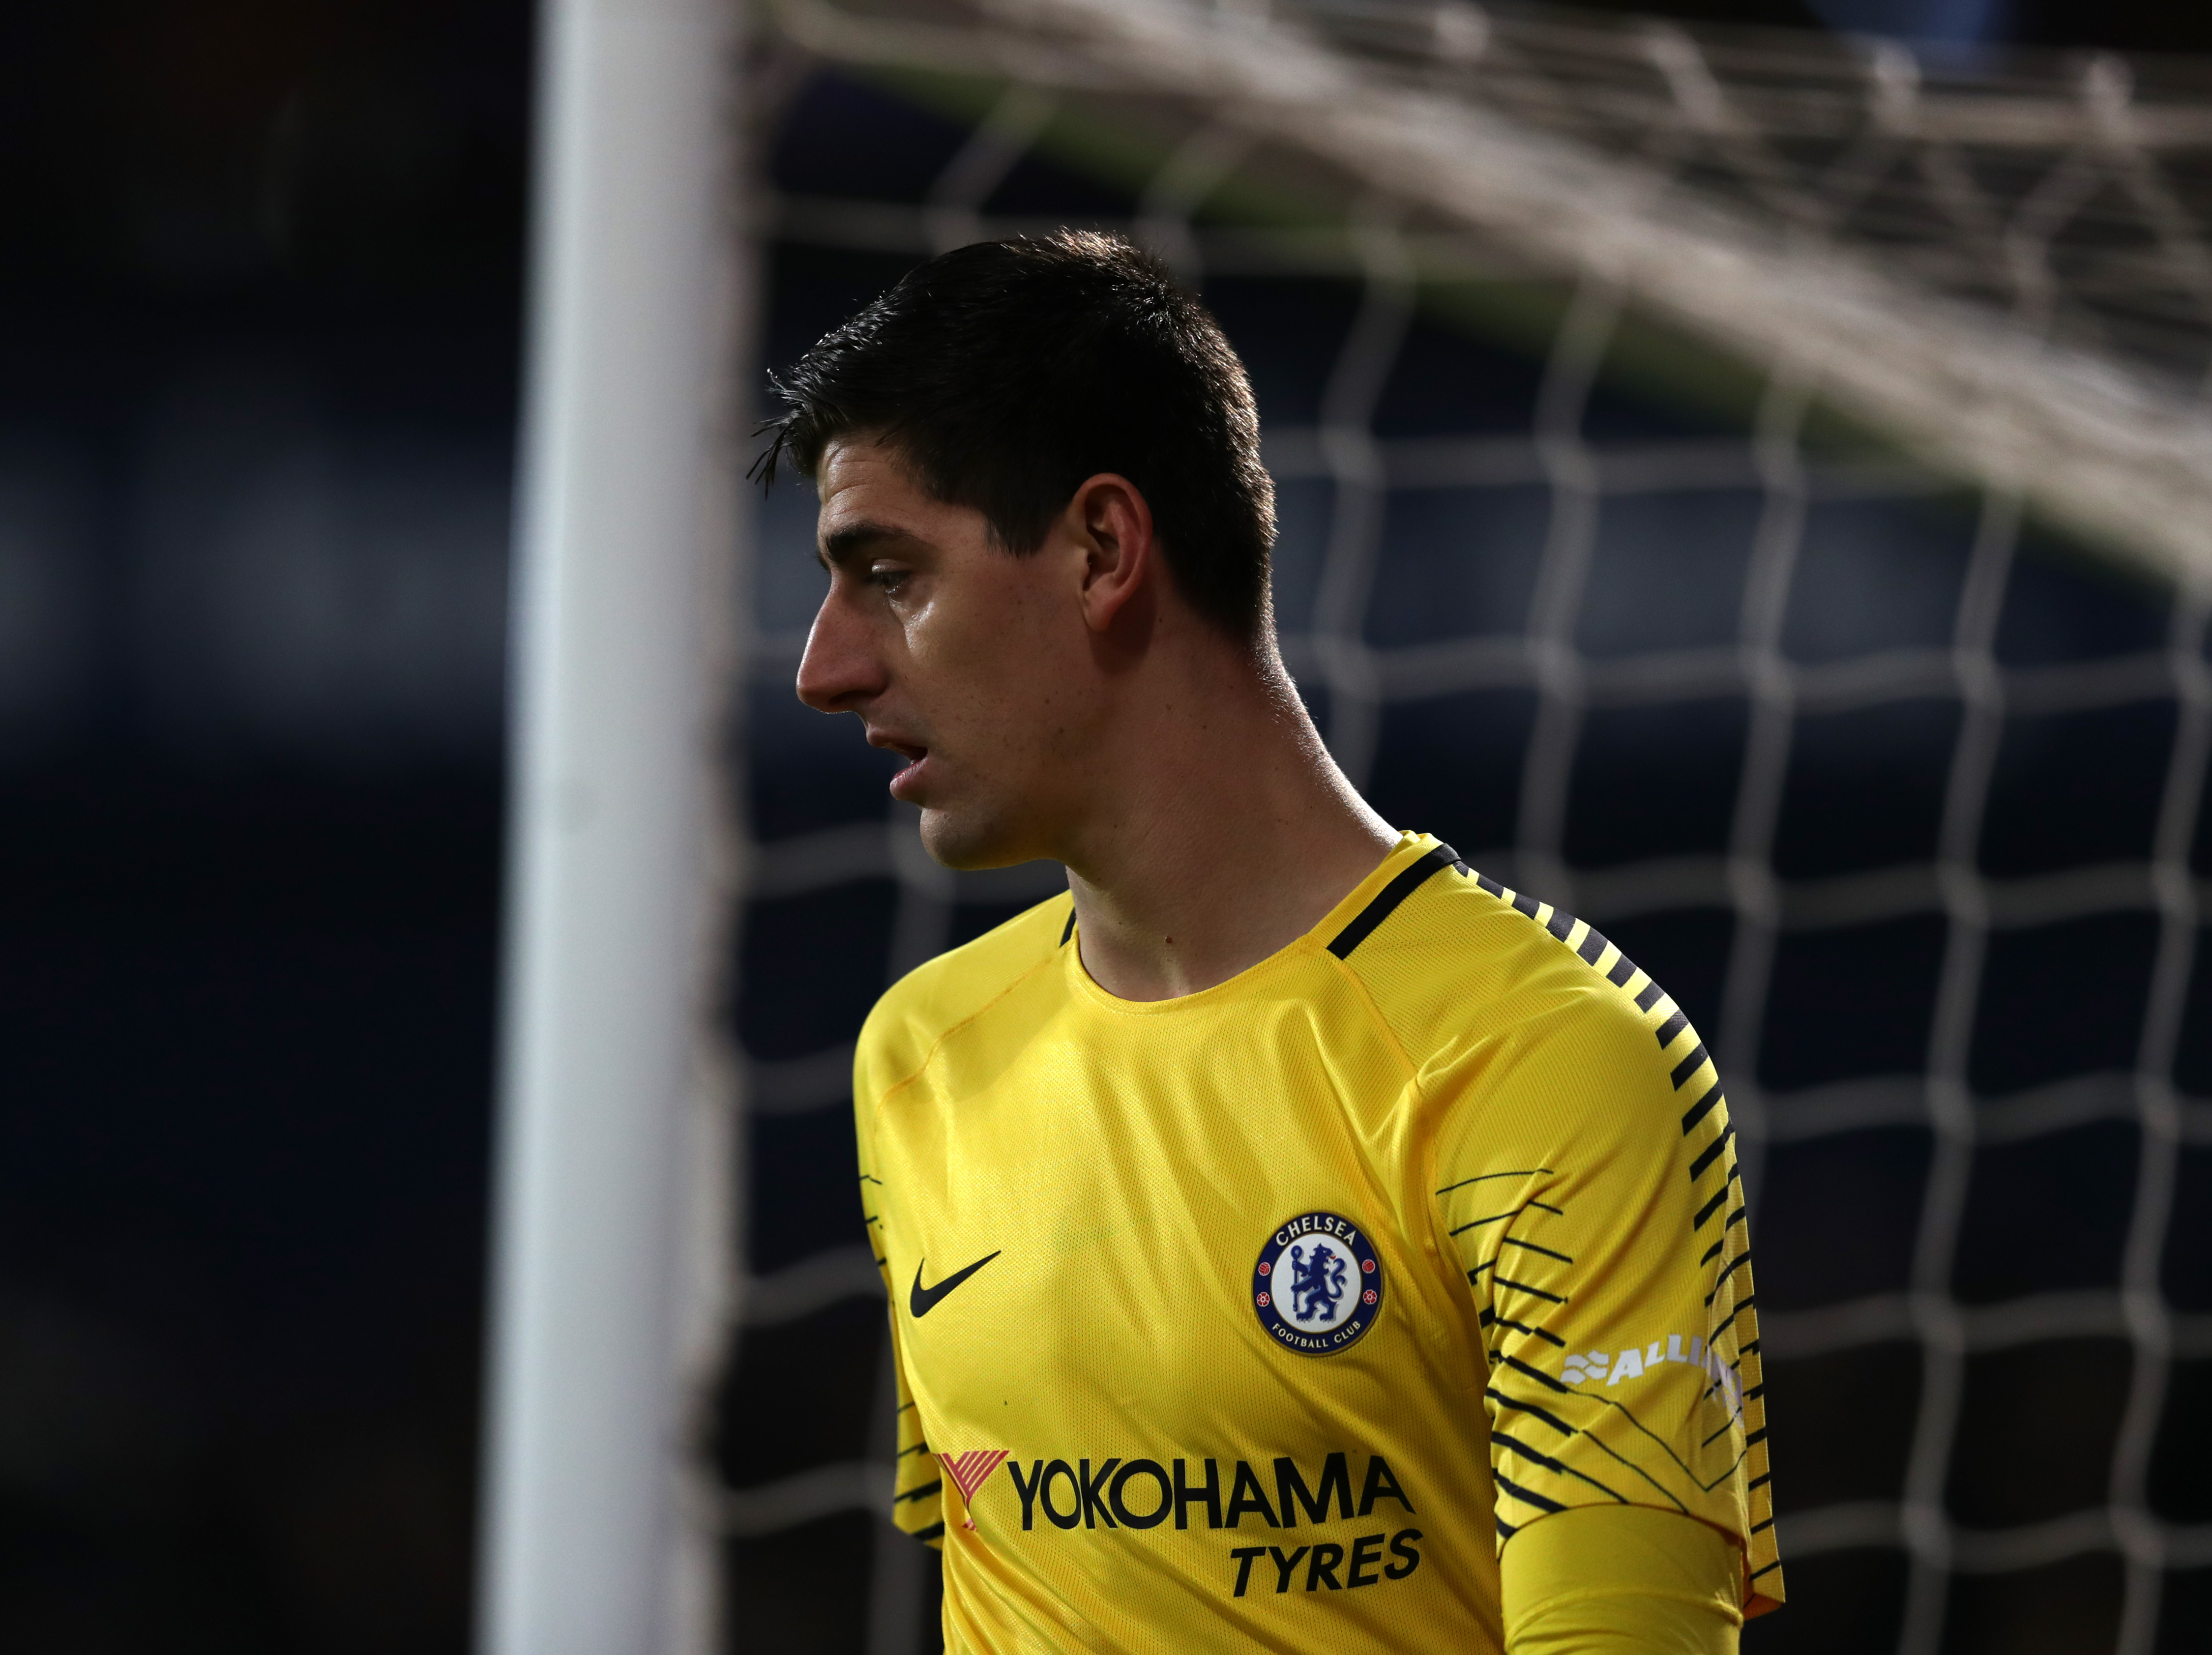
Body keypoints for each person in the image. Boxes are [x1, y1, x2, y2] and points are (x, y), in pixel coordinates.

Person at [762, 230, 1779, 1653]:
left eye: (890, 574)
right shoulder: (924, 1057)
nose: (824, 666)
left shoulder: (1548, 1062)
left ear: (1103, 549)